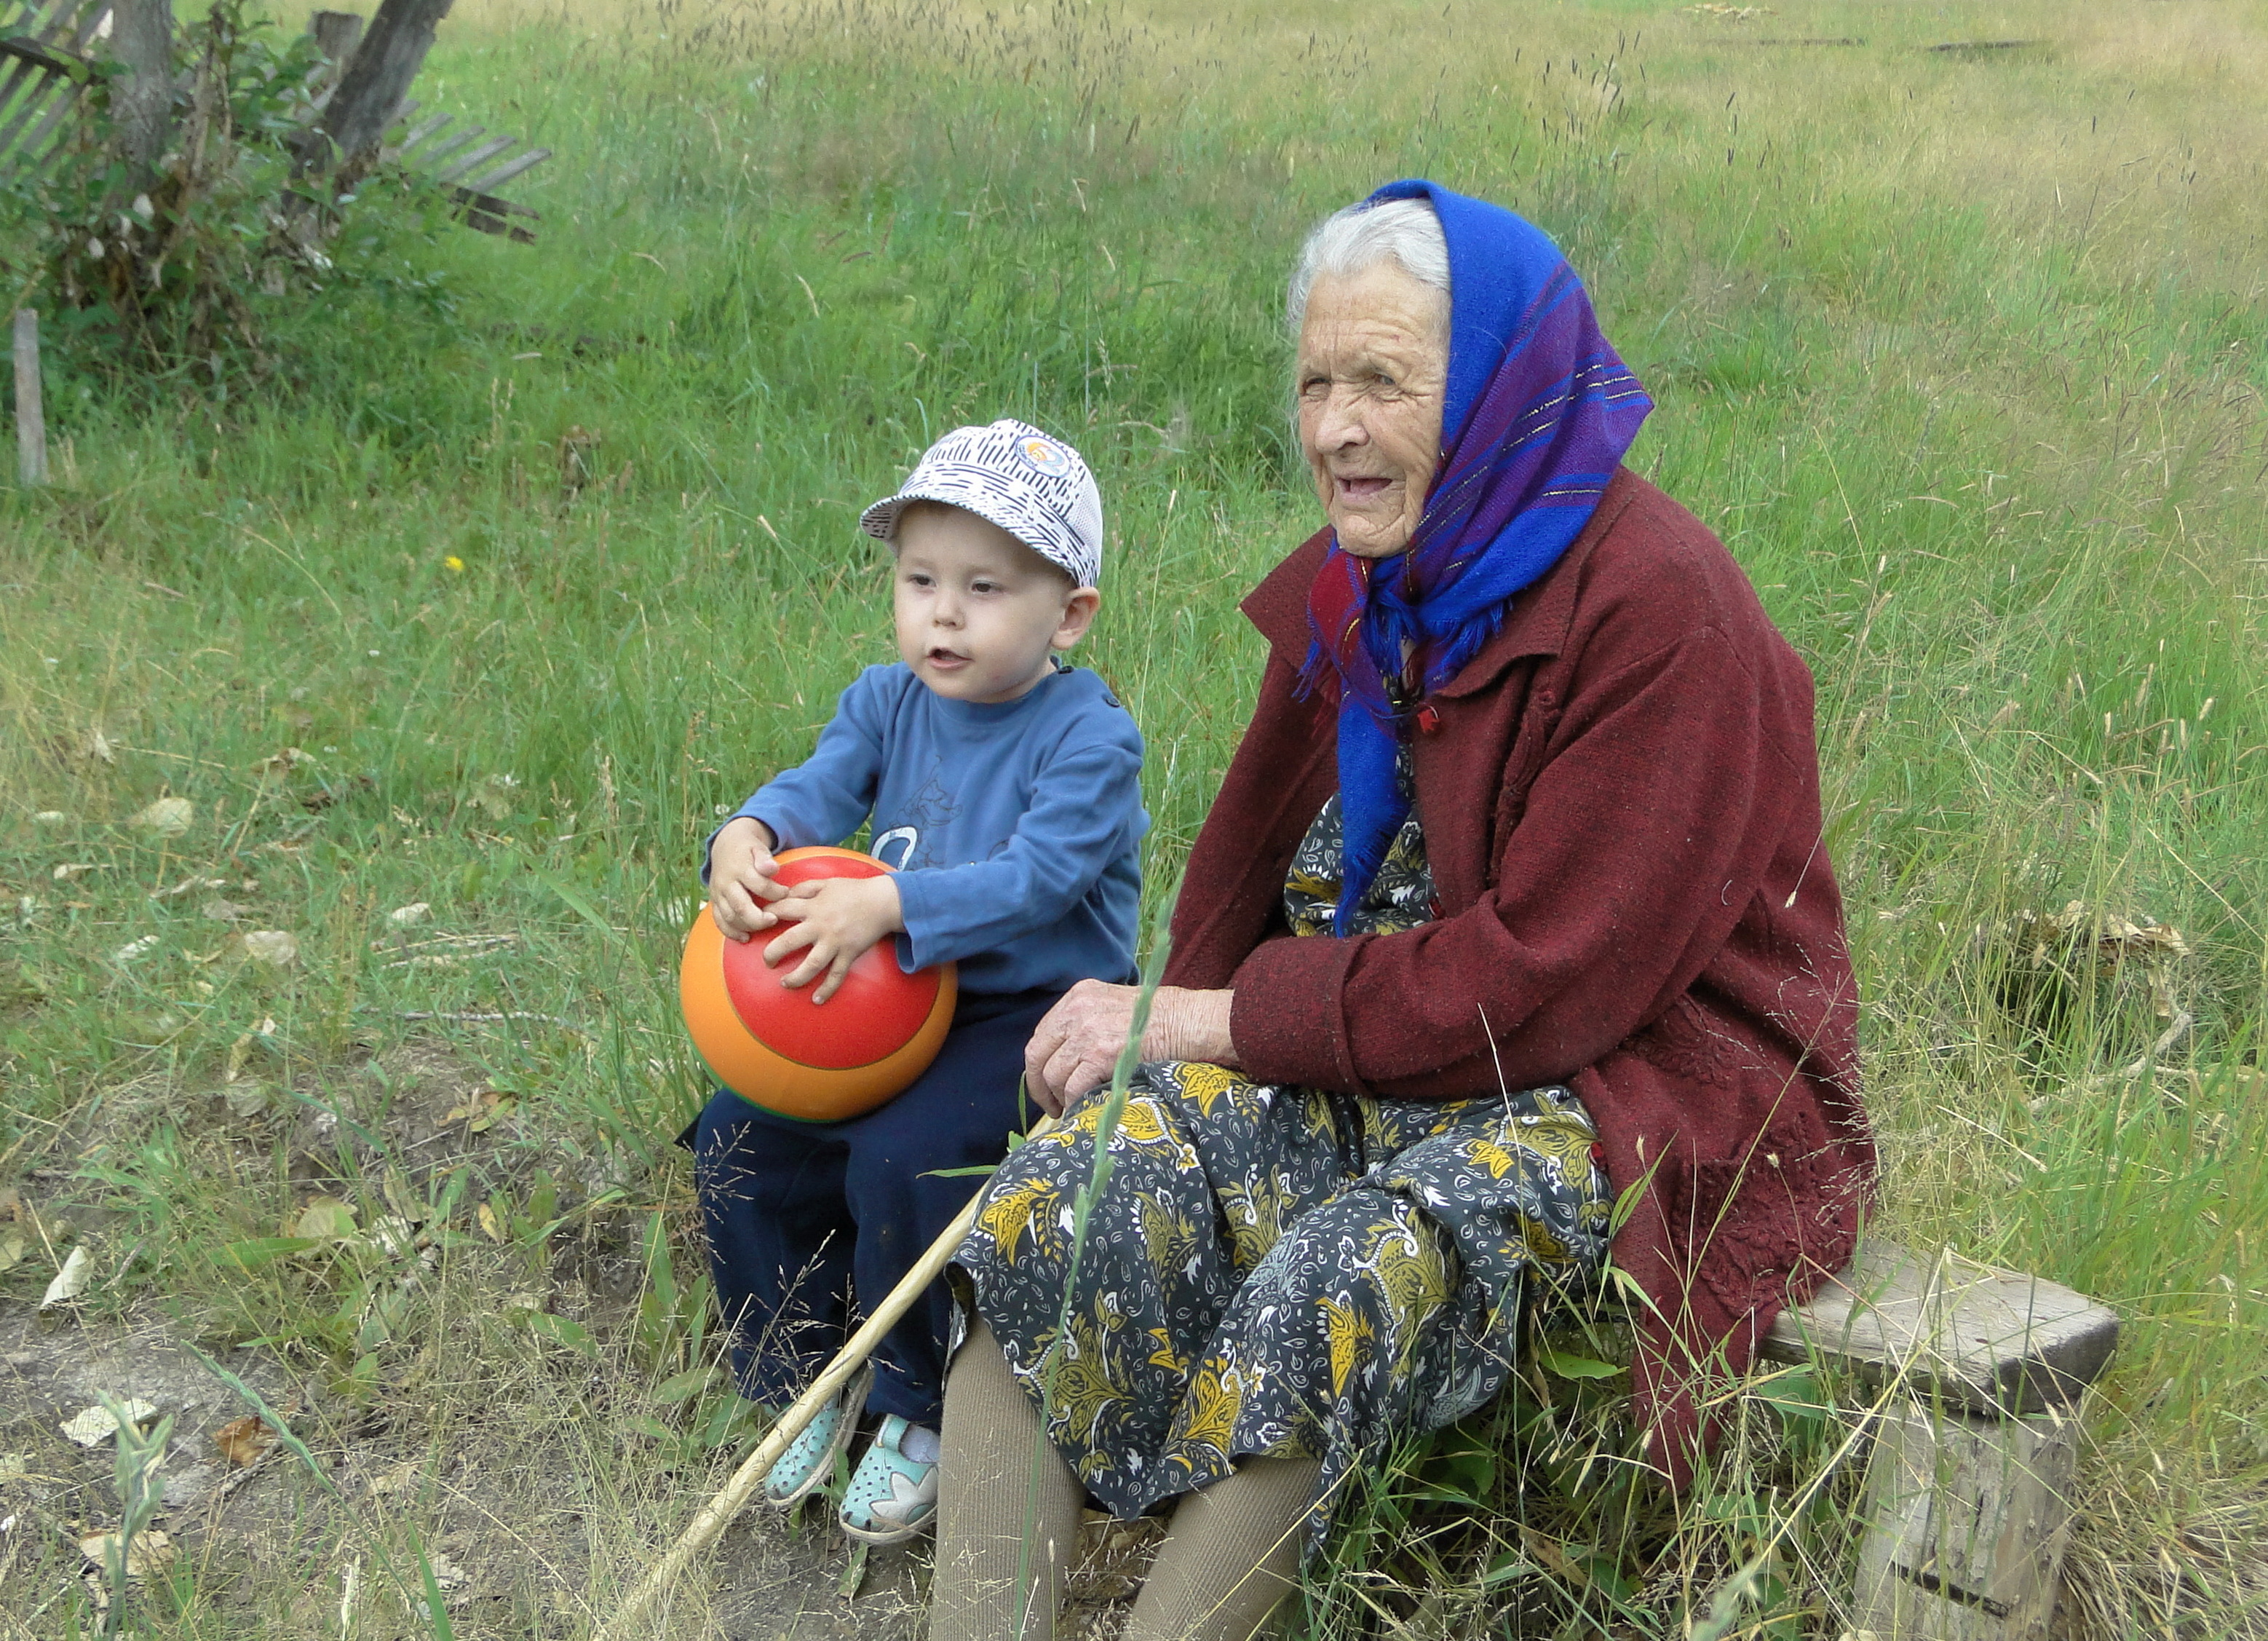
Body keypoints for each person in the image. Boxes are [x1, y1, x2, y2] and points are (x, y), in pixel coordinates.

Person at [929, 183, 1872, 1641]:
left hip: (1632, 1075)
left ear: (1499, 387)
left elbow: (1546, 985)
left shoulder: (1661, 609)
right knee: (1071, 1183)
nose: (1332, 428)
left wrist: (1212, 1019)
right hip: (1382, 1037)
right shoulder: (1356, 585)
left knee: (1352, 1260)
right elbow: (1240, 882)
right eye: (1315, 381)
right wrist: (1147, 1064)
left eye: (1383, 381)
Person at [693, 419, 1147, 1546]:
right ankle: (793, 1369)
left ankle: (914, 1400)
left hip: (1018, 1011)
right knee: (737, 1139)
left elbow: (1041, 879)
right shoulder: (887, 700)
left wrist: (891, 906)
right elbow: (816, 786)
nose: (943, 612)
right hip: (888, 995)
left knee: (906, 1161)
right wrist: (749, 832)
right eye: (921, 579)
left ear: (1070, 611)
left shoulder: (1089, 735)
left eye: (986, 587)